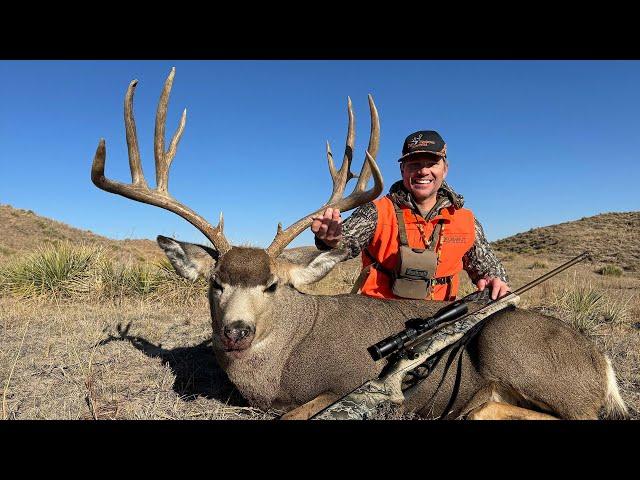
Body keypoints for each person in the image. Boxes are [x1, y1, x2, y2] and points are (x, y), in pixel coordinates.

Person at [311, 130, 509, 301]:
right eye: (414, 165)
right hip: (376, 316)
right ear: (402, 169)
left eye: (432, 163)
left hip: (439, 318)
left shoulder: (465, 220)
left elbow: (487, 265)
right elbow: (347, 242)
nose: (423, 171)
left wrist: (494, 278)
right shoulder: (377, 211)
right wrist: (332, 240)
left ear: (445, 169)